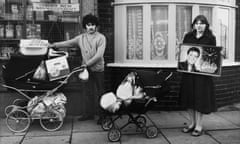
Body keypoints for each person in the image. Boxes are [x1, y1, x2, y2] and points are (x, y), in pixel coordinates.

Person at [48, 14, 106, 124]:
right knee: (87, 92)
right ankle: (88, 114)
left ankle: (102, 116)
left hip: (98, 70)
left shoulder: (101, 38)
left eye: (93, 25)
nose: (91, 27)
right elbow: (68, 43)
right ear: (85, 26)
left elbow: (99, 55)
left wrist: (87, 64)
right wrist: (54, 45)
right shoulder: (81, 38)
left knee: (100, 92)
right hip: (86, 70)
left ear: (96, 26)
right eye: (88, 25)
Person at [179, 15, 216, 136]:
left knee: (200, 100)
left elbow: (213, 57)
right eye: (197, 23)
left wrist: (206, 65)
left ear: (206, 25)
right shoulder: (188, 36)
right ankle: (191, 123)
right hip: (188, 74)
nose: (199, 26)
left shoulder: (210, 38)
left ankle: (199, 126)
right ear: (194, 25)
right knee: (189, 98)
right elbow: (183, 51)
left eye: (202, 23)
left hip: (202, 76)